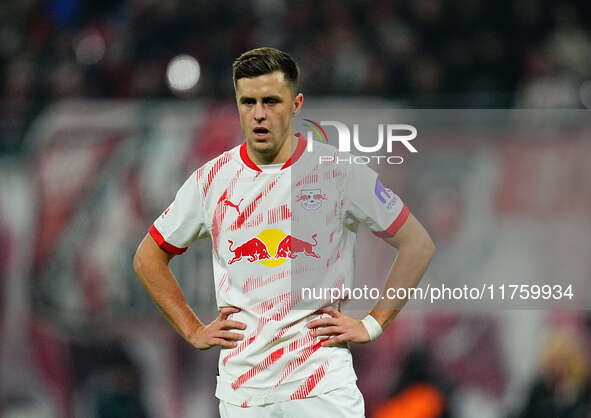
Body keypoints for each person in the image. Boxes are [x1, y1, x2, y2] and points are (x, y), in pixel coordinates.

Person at [133, 47, 435, 418]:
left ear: (296, 104)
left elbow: (417, 244)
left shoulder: (337, 172)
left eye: (271, 101)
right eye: (248, 102)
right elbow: (148, 257)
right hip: (244, 393)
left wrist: (373, 324)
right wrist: (193, 329)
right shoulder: (211, 180)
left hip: (322, 388)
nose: (259, 114)